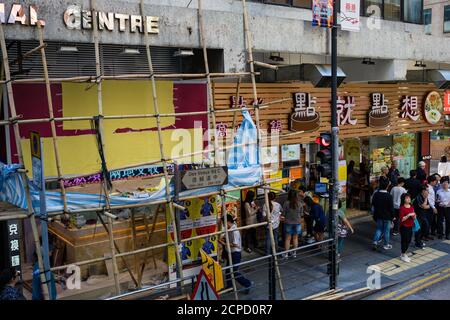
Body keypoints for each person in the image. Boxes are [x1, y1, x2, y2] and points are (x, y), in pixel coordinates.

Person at [220, 214, 252, 294]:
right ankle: (230, 286)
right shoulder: (230, 228)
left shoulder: (234, 231)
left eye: (224, 223)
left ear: (227, 222)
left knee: (234, 272)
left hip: (235, 254)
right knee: (228, 271)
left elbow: (235, 244)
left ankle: (247, 284)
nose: (224, 225)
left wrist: (223, 243)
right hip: (230, 253)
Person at [371, 178, 394, 250]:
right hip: (387, 216)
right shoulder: (389, 196)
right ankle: (386, 244)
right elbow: (391, 208)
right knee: (386, 231)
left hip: (378, 214)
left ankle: (375, 242)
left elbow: (373, 204)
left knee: (379, 229)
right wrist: (393, 216)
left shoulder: (376, 194)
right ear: (387, 186)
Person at [282, 189, 303, 258]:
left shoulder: (286, 203)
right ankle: (294, 253)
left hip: (288, 223)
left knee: (287, 239)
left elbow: (283, 214)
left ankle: (286, 254)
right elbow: (301, 214)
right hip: (297, 223)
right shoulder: (299, 203)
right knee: (295, 238)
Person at [399, 193, 416, 263]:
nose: (409, 199)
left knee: (409, 240)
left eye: (409, 198)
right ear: (403, 199)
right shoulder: (402, 208)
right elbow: (401, 219)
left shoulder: (411, 206)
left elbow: (414, 217)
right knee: (404, 240)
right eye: (407, 198)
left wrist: (414, 215)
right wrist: (409, 215)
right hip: (404, 227)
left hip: (410, 226)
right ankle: (403, 254)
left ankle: (404, 253)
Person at [426, 175, 438, 239]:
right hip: (430, 207)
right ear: (431, 181)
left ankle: (426, 234)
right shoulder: (428, 188)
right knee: (428, 221)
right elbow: (429, 199)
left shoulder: (430, 187)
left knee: (430, 221)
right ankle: (426, 235)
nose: (436, 182)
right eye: (435, 181)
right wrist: (433, 207)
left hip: (431, 206)